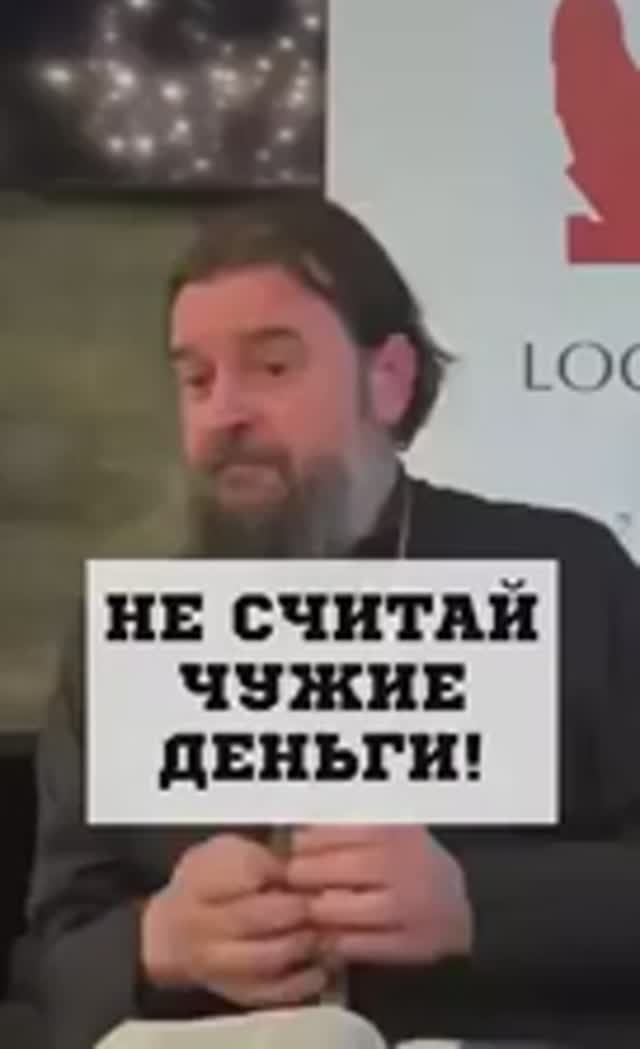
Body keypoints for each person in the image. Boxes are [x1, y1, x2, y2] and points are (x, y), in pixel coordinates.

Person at [24, 195, 640, 1049]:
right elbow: (52, 957)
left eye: (273, 367)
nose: (224, 412)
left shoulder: (569, 573)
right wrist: (156, 942)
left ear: (389, 379)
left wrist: (477, 904)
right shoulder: (116, 639)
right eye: (196, 379)